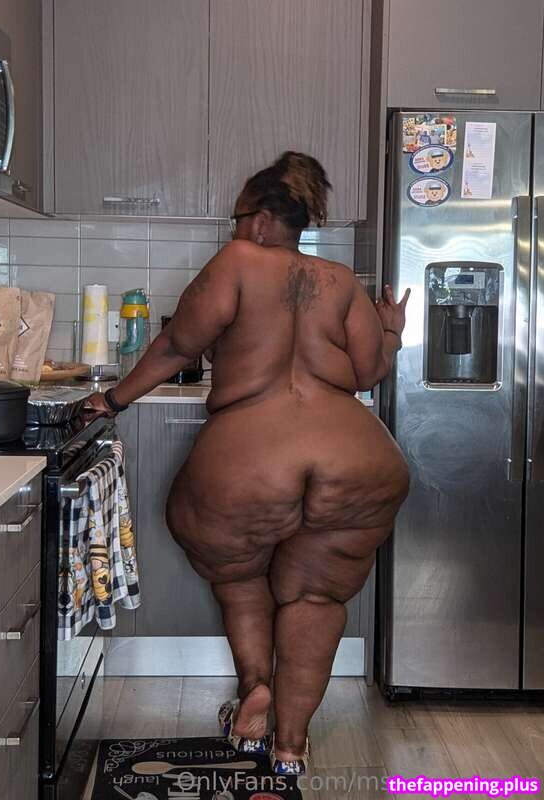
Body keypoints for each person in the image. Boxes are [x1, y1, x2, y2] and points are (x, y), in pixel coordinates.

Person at [88, 152, 411, 775]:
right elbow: (370, 371)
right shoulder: (341, 280)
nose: (235, 230)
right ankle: (290, 746)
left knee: (239, 579)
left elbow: (177, 344)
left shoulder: (238, 260)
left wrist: (112, 399)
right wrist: (392, 331)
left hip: (249, 463)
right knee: (317, 597)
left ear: (260, 220)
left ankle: (256, 691)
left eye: (237, 219)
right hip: (358, 460)